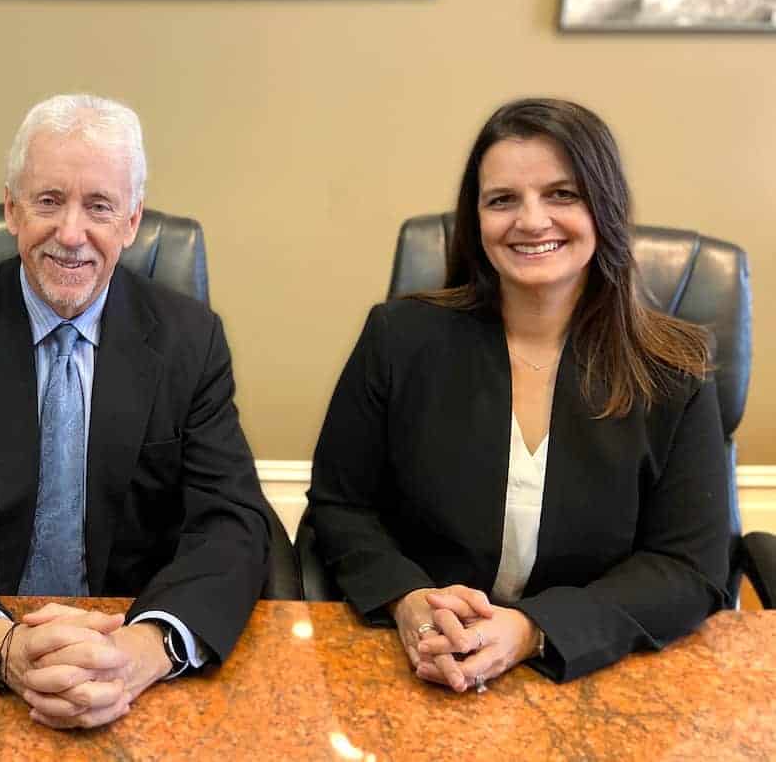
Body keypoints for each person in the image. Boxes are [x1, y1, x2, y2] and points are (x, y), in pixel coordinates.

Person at [0, 93, 269, 729]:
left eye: (99, 206)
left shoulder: (191, 340)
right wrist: (1, 647)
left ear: (132, 222)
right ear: (11, 209)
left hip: (132, 658)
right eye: (48, 200)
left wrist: (142, 650)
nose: (70, 233)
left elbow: (232, 519)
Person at [308, 98, 730, 689]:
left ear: (604, 207)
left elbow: (689, 566)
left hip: (596, 671)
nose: (531, 221)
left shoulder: (674, 368)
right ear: (475, 219)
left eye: (562, 194)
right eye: (502, 199)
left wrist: (534, 629)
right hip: (421, 662)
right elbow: (340, 504)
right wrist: (408, 600)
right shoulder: (399, 339)